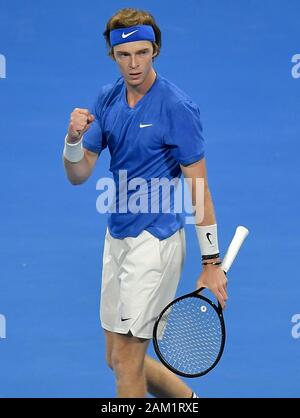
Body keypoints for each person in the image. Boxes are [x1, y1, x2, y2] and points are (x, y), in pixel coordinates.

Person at [62, 7, 227, 398]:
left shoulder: (177, 108)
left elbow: (198, 188)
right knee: (116, 357)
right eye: (124, 55)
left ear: (155, 50)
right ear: (112, 55)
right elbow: (78, 174)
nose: (134, 64)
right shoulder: (107, 99)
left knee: (127, 360)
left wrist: (210, 262)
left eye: (142, 52)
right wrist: (71, 140)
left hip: (155, 244)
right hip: (117, 237)